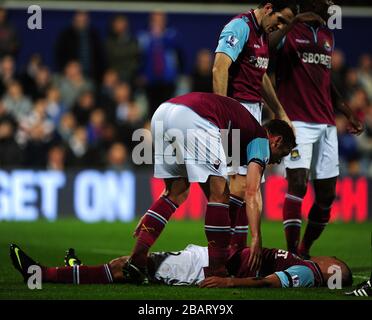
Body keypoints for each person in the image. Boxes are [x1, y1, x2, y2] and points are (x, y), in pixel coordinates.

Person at [125, 91, 295, 283]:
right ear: (276, 140)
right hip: (195, 117)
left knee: (176, 193)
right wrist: (256, 237)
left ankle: (137, 260)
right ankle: (217, 270)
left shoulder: (240, 135)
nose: (277, 161)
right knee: (220, 196)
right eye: (282, 153)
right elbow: (252, 190)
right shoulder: (260, 139)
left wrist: (151, 215)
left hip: (163, 113)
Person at [269, 0, 364, 257]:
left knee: (326, 196)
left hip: (327, 124)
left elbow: (326, 80)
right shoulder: (289, 31)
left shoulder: (327, 35)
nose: (332, 5)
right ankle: (291, 255)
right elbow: (267, 47)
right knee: (298, 184)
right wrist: (293, 24)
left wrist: (346, 111)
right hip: (297, 121)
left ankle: (304, 250)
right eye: (327, 1)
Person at [212, 0, 297, 254]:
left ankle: (235, 250)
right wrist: (223, 112)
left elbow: (259, 76)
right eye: (280, 20)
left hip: (253, 112)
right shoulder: (240, 27)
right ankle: (229, 251)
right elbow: (219, 67)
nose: (280, 27)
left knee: (249, 184)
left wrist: (279, 110)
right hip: (236, 109)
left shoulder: (261, 35)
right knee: (238, 184)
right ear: (269, 7)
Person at [9, 242, 353, 289]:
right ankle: (77, 268)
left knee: (124, 267)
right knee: (125, 266)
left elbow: (272, 282)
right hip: (205, 258)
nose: (331, 258)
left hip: (201, 270)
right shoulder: (305, 263)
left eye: (336, 263)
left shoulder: (308, 273)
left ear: (332, 269)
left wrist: (230, 284)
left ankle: (39, 274)